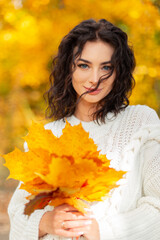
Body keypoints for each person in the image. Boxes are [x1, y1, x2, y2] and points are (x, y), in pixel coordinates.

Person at [8, 19, 160, 240]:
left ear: (119, 72)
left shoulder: (140, 122)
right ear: (68, 68)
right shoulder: (49, 134)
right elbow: (19, 212)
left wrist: (104, 231)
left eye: (106, 67)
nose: (95, 79)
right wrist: (44, 222)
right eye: (84, 65)